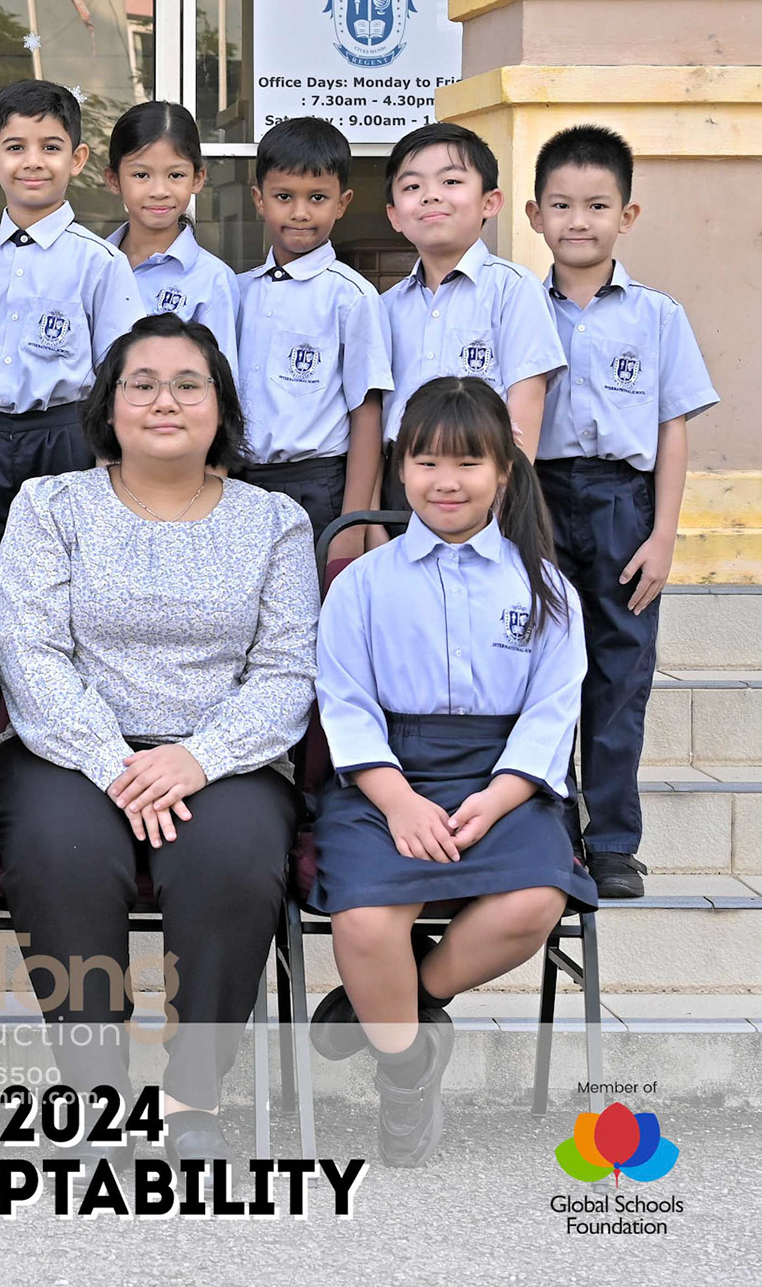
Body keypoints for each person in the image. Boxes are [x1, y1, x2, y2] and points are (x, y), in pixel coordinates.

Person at [0, 313, 317, 1167]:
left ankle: (191, 1094)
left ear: (220, 405)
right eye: (142, 384)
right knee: (64, 852)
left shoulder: (274, 522)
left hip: (223, 758)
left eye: (188, 384)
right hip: (67, 752)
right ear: (108, 405)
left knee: (232, 858)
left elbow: (287, 672)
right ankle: (97, 1093)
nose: (165, 400)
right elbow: (28, 650)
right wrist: (114, 762)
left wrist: (197, 757)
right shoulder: (49, 505)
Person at [310, 377, 598, 1168]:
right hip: (385, 777)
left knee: (535, 899)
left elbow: (552, 711)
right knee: (365, 921)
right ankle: (407, 1071)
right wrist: (397, 799)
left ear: (504, 470)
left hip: (502, 776)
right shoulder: (362, 582)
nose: (446, 481)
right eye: (427, 461)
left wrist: (500, 797)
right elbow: (344, 701)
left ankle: (405, 997)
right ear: (400, 467)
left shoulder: (545, 588)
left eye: (468, 462)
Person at [527, 125, 719, 899]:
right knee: (541, 666)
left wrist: (663, 535)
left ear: (626, 216)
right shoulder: (519, 306)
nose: (579, 221)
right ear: (535, 214)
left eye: (597, 205)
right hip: (536, 496)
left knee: (619, 672)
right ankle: (549, 831)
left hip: (622, 503)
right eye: (562, 205)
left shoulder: (657, 315)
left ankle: (610, 841)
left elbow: (672, 428)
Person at [0, 79, 142, 609]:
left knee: (64, 577)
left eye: (50, 147)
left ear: (76, 159)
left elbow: (123, 377)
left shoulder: (100, 263)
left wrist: (110, 464)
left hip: (66, 437)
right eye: (16, 147)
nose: (33, 162)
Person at [235, 117, 393, 554]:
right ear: (259, 199)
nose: (300, 213)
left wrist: (352, 525)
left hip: (317, 487)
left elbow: (366, 414)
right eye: (284, 196)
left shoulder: (352, 297)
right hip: (239, 485)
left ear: (342, 203)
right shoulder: (237, 292)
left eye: (317, 198)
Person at [379, 123, 565, 480]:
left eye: (451, 181)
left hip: (483, 480)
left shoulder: (513, 290)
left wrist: (507, 496)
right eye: (412, 187)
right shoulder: (385, 307)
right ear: (394, 215)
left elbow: (526, 402)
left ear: (489, 202)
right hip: (400, 479)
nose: (431, 196)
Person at [103, 100, 239, 375]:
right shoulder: (94, 265)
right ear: (114, 179)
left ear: (198, 178)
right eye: (141, 174)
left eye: (175, 175)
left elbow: (221, 382)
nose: (159, 191)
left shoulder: (212, 279)